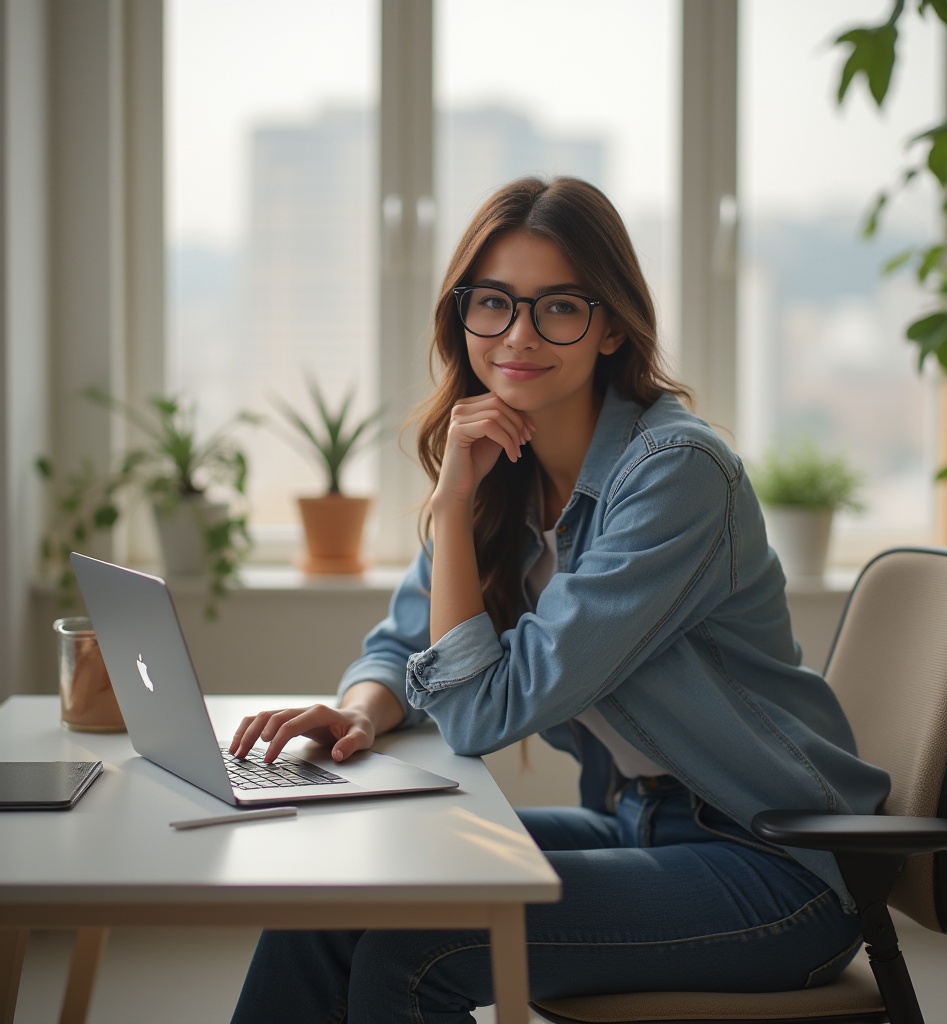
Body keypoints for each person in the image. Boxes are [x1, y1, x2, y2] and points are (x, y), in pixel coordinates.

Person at [229, 176, 890, 1024]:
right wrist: (361, 711)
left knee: (416, 950)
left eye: (559, 308)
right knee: (330, 900)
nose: (519, 336)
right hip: (639, 822)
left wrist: (450, 507)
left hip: (776, 867)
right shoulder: (509, 470)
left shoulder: (673, 475)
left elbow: (476, 712)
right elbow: (401, 646)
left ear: (612, 324)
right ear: (461, 313)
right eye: (494, 303)